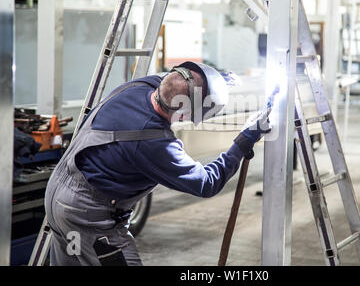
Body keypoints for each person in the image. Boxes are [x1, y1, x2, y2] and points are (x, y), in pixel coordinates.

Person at [44, 61, 275, 266]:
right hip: (86, 216)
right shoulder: (153, 140)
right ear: (183, 114)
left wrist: (214, 80)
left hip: (59, 195)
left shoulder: (142, 85)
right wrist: (246, 139)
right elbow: (206, 183)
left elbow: (183, 83)